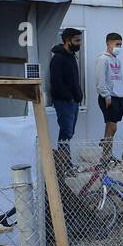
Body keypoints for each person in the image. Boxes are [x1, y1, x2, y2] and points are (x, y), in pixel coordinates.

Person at [49, 28, 85, 167]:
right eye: (76, 40)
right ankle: (64, 164)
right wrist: (69, 97)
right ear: (67, 41)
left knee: (69, 133)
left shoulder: (71, 57)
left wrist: (78, 96)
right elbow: (56, 82)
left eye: (80, 40)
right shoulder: (58, 59)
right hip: (64, 102)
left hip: (73, 101)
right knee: (65, 132)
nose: (79, 43)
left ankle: (65, 163)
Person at [95, 32, 123, 164]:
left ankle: (108, 153)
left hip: (119, 96)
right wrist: (106, 95)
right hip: (109, 97)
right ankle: (105, 155)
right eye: (116, 44)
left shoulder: (117, 60)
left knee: (114, 127)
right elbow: (100, 80)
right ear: (108, 44)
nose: (119, 47)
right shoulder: (103, 59)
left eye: (120, 45)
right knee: (111, 126)